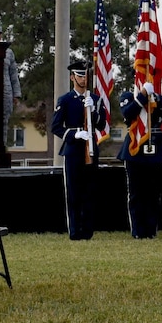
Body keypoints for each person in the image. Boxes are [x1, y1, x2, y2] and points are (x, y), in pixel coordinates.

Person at [53, 59, 109, 240]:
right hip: (73, 150)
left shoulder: (95, 99)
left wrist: (94, 111)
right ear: (72, 77)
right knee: (74, 192)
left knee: (89, 191)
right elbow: (56, 127)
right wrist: (74, 134)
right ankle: (75, 231)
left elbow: (101, 125)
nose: (83, 79)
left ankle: (88, 231)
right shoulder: (66, 100)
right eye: (79, 76)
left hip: (91, 150)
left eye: (85, 76)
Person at [117, 81, 162, 239]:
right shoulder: (129, 97)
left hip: (156, 150)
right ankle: (137, 231)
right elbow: (128, 114)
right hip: (134, 151)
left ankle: (151, 230)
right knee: (136, 194)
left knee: (153, 194)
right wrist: (142, 96)